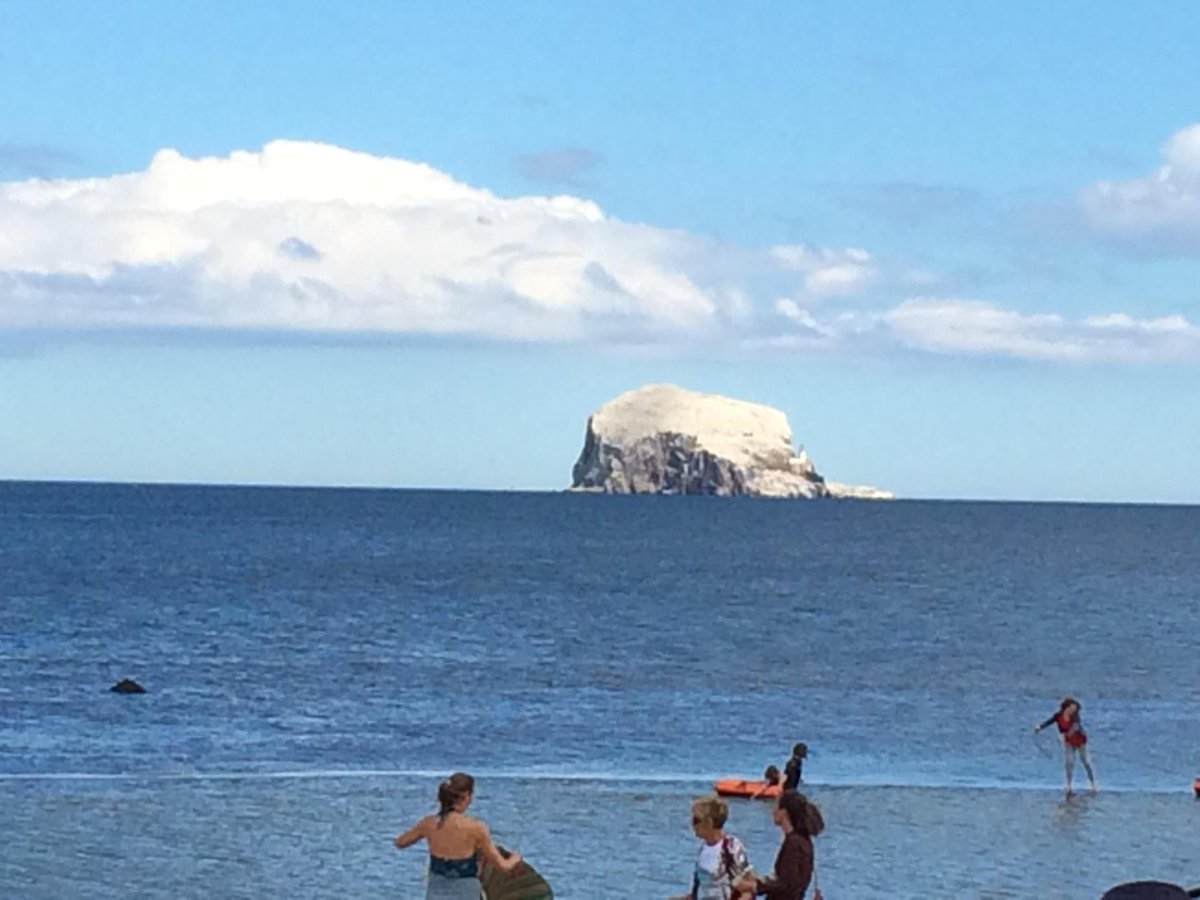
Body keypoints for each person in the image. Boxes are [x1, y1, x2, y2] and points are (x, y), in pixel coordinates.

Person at [394, 772, 522, 899]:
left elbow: (400, 842)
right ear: (466, 796)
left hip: (436, 892)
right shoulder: (476, 828)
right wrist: (516, 857)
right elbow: (503, 866)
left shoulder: (429, 823)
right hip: (467, 893)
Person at [734, 790, 824, 900]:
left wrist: (754, 886)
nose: (772, 811)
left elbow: (786, 885)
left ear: (783, 812)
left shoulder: (794, 843)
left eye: (775, 807)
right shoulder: (803, 840)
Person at [669, 794, 751, 900]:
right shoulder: (703, 850)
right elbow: (701, 891)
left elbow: (748, 890)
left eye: (696, 820)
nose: (692, 825)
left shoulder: (730, 847)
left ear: (709, 823)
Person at [1034, 696, 1098, 797]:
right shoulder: (1058, 715)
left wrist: (1067, 734)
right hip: (1069, 742)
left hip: (1080, 740)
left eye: (1075, 708)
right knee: (1069, 763)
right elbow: (1049, 721)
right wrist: (1039, 727)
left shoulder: (1075, 716)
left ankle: (1093, 783)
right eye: (1072, 707)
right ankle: (1068, 785)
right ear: (1067, 707)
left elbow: (1076, 726)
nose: (1074, 710)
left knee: (1085, 761)